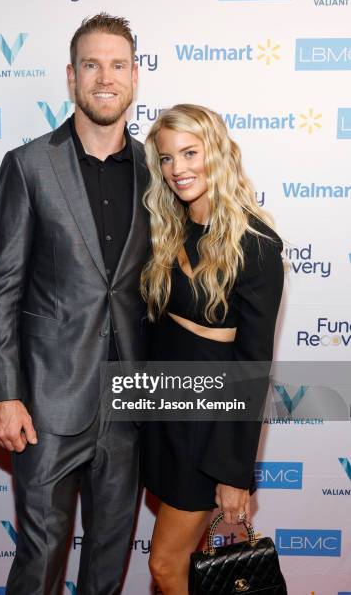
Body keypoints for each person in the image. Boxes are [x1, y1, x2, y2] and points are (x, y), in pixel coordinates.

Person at [0, 13, 150, 595]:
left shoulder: (158, 173)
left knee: (108, 563)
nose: (106, 77)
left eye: (118, 65)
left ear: (135, 77)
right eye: (92, 65)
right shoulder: (30, 165)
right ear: (71, 77)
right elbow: (2, 286)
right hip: (47, 404)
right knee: (41, 559)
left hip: (130, 403)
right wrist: (4, 394)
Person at [140, 104, 284, 595]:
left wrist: (233, 474)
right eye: (165, 158)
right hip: (163, 416)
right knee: (191, 565)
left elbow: (253, 369)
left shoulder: (257, 246)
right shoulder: (166, 230)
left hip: (208, 429)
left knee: (165, 565)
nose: (177, 169)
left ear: (216, 154)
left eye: (189, 153)